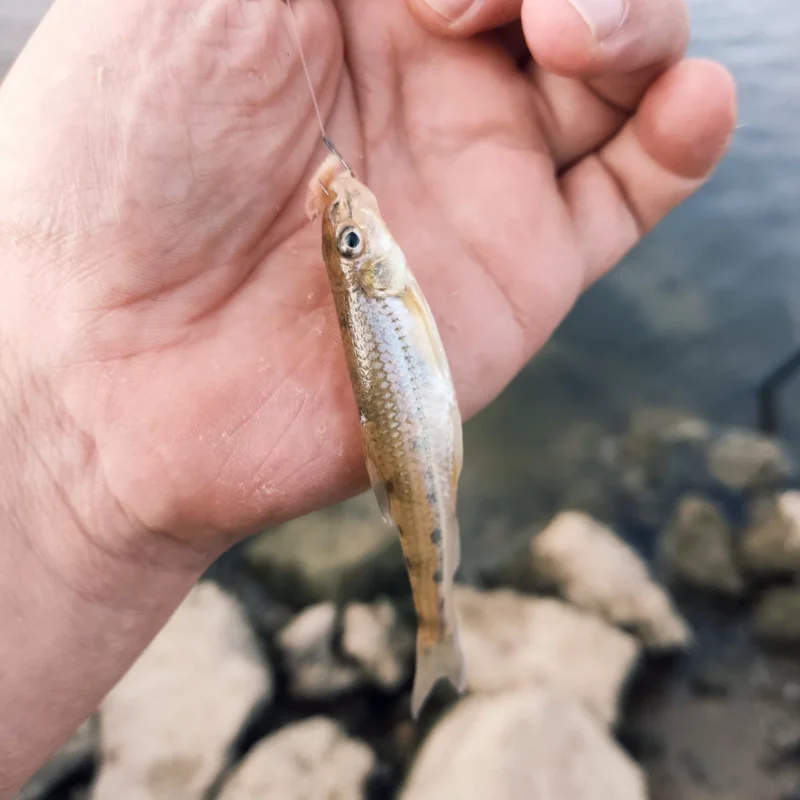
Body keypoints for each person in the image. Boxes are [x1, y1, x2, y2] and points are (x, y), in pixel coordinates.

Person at [0, 0, 735, 792]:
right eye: (352, 242)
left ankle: (436, 625)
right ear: (369, 268)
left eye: (351, 239)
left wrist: (53, 455)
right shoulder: (380, 281)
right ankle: (436, 628)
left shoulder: (380, 278)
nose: (355, 226)